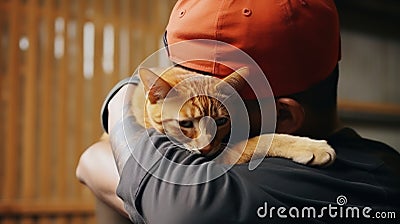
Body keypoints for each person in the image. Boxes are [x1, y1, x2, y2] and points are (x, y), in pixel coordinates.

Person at [76, 0, 400, 223]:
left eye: (222, 116)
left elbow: (94, 162)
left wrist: (121, 96)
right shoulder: (382, 162)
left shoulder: (266, 185)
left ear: (283, 118)